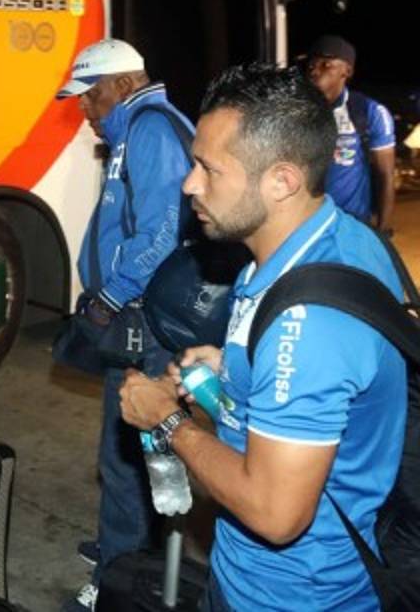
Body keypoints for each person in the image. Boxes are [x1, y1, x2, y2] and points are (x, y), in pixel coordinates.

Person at [120, 62, 406, 611]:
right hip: (250, 576)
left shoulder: (311, 322)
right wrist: (237, 364)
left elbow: (277, 513)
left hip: (288, 596)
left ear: (282, 180)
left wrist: (167, 420)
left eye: (209, 168)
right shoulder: (332, 241)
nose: (189, 184)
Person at [54, 39, 192, 611]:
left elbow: (161, 232)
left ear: (124, 84)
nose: (85, 109)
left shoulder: (150, 129)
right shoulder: (135, 129)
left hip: (143, 318)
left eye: (91, 96)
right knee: (137, 449)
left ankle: (118, 578)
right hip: (139, 311)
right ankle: (128, 547)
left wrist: (110, 296)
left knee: (128, 453)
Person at [306, 35, 396, 232]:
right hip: (307, 226)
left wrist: (383, 232)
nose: (315, 70)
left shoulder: (369, 112)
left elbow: (386, 175)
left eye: (326, 65)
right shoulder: (299, 112)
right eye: (311, 65)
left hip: (353, 226)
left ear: (347, 71)